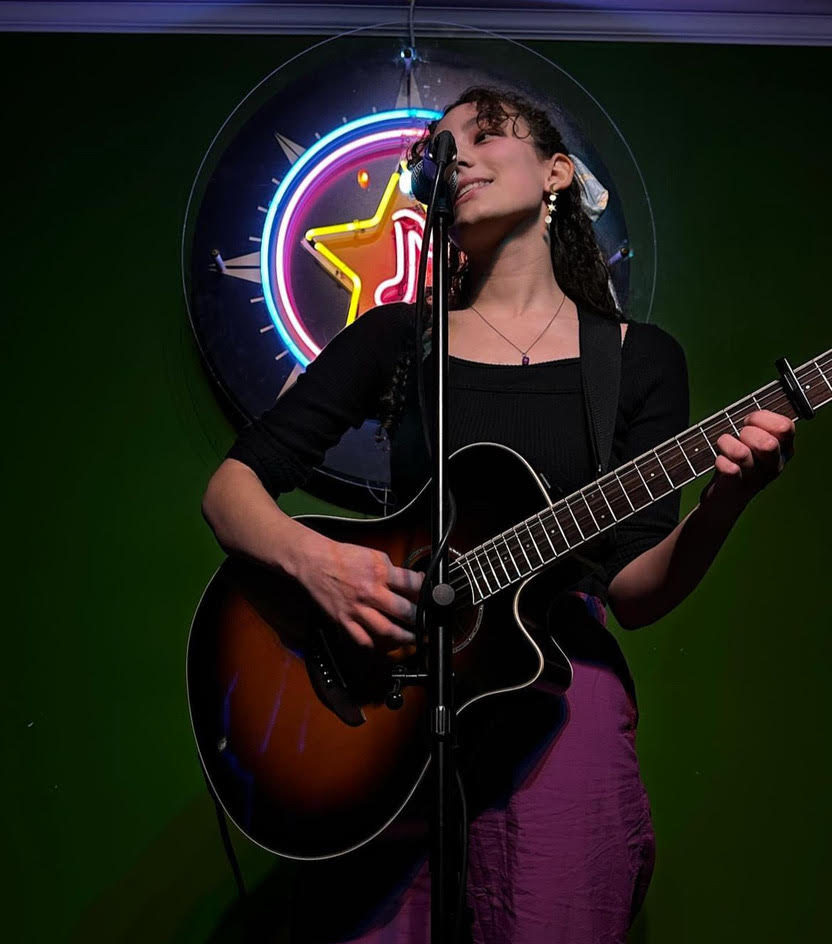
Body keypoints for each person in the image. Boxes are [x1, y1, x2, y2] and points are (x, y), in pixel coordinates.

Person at [201, 87, 795, 943]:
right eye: (441, 149)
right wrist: (323, 567)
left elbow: (632, 589)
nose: (459, 156)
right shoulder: (395, 340)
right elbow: (232, 492)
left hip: (556, 710)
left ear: (556, 172)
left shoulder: (636, 360)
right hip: (384, 720)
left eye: (484, 135)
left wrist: (726, 503)